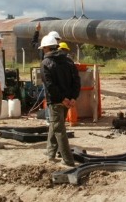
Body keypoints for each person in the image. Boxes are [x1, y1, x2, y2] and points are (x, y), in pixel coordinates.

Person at [39, 34, 80, 166]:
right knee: (55, 124)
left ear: (46, 48)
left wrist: (61, 99)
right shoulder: (68, 60)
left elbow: (50, 85)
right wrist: (73, 97)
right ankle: (51, 153)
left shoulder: (45, 63)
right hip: (68, 100)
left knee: (59, 129)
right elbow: (77, 81)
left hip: (57, 101)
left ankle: (68, 160)